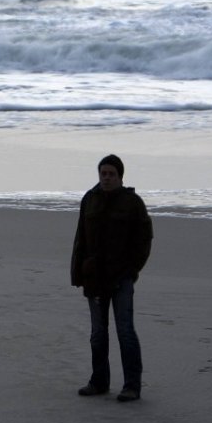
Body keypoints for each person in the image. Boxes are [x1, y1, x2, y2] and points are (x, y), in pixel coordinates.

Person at [70, 154, 152, 402]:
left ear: (120, 176)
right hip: (94, 278)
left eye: (111, 174)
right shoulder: (90, 199)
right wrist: (78, 273)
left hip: (122, 278)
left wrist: (132, 270)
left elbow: (144, 239)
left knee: (125, 330)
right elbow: (80, 239)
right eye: (103, 173)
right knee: (98, 332)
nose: (106, 178)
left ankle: (132, 386)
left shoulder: (132, 203)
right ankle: (99, 381)